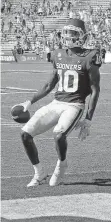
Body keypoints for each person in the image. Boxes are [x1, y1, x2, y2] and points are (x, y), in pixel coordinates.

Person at [13, 19, 102, 187]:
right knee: (25, 133)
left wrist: (88, 119)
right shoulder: (58, 53)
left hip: (75, 105)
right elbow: (49, 85)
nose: (68, 36)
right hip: (57, 102)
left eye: (73, 33)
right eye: (66, 32)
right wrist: (30, 101)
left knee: (59, 134)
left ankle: (61, 165)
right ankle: (39, 173)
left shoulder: (91, 56)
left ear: (82, 36)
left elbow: (95, 90)